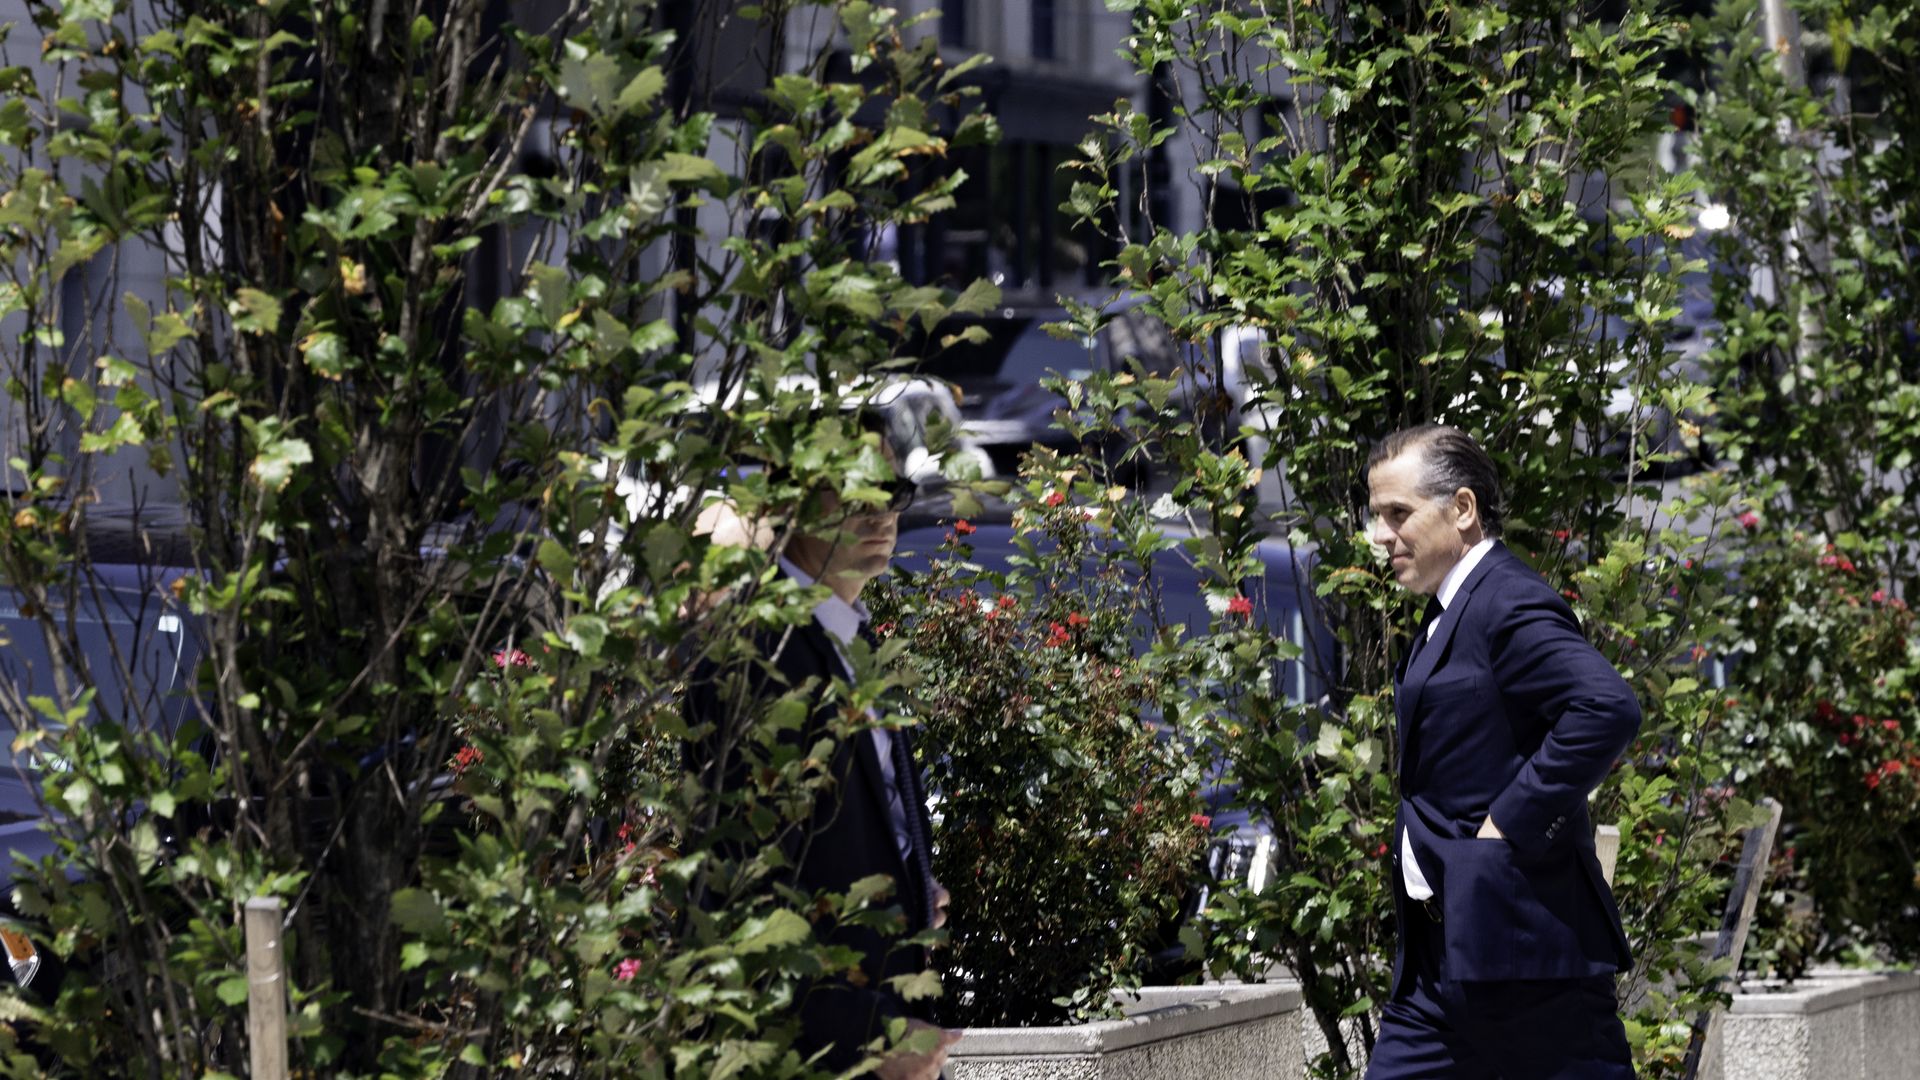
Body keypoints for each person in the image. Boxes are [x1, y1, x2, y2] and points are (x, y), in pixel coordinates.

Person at [684, 410, 958, 1079]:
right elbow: (745, 887)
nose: (880, 513)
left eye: (892, 493)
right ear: (794, 501)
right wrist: (867, 1037)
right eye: (854, 492)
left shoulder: (856, 640)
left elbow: (854, 830)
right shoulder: (759, 650)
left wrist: (913, 885)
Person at [1364, 423, 1641, 1079]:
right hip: (1440, 964)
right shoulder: (1447, 609)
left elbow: (1606, 707)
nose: (1380, 535)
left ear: (1462, 508)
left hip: (1523, 955)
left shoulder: (1506, 599)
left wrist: (1504, 825)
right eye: (1376, 516)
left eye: (1398, 513)